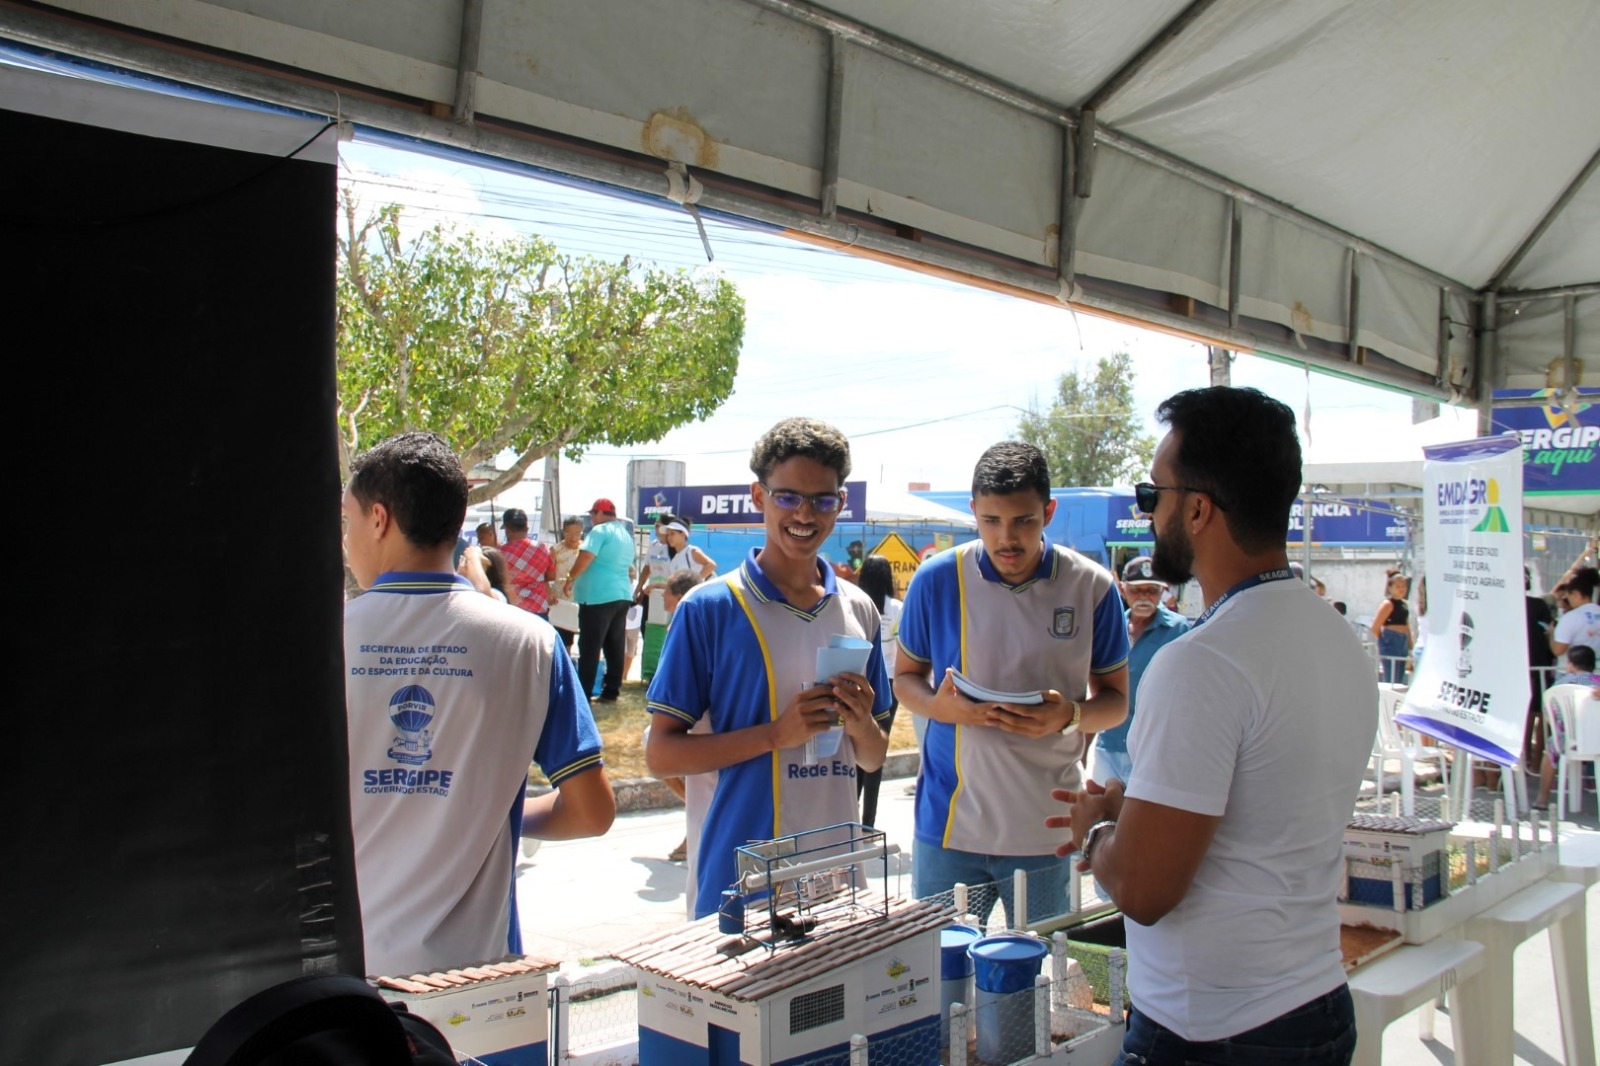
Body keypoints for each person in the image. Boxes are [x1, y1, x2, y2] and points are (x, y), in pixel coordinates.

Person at [1049, 386, 1373, 1066]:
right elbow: (1260, 807)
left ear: (1197, 509)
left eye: (1153, 494)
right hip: (1315, 1002)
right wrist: (1131, 809)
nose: (1150, 511)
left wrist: (1099, 829)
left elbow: (1143, 891)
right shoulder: (1336, 637)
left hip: (1215, 1033)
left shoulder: (1199, 662)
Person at [341, 431, 614, 976]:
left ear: (377, 519)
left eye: (345, 522)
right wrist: (498, 813)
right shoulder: (531, 643)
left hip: (347, 975)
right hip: (480, 980)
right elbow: (591, 812)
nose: (345, 541)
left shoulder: (319, 639)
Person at [644, 417, 892, 919]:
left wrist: (862, 723)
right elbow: (661, 755)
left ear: (840, 503)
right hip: (738, 885)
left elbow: (872, 757)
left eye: (822, 499)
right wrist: (775, 735)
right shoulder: (708, 608)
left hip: (836, 878)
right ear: (759, 496)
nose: (804, 513)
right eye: (787, 497)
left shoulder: (859, 608)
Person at [896, 441, 1129, 926]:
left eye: (1023, 520)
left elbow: (1117, 702)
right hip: (949, 832)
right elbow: (904, 681)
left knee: (1037, 986)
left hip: (1050, 832)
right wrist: (945, 709)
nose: (1007, 538)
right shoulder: (936, 580)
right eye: (991, 521)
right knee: (943, 983)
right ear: (973, 513)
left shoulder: (1092, 586)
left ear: (1048, 511)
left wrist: (1071, 715)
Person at [1093, 556, 1190, 785]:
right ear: (1123, 590)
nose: (1145, 597)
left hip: (1154, 751)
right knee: (1102, 815)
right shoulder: (1111, 628)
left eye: (1152, 591)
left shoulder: (1179, 630)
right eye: (1137, 591)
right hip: (1109, 745)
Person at [563, 498, 635, 703]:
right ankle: (611, 690)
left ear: (599, 513)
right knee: (614, 646)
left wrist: (570, 578)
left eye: (593, 515)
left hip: (597, 596)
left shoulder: (599, 531)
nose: (592, 519)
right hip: (621, 594)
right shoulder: (624, 534)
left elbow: (586, 557)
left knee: (589, 646)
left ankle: (582, 695)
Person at [634, 515, 716, 683]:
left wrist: (695, 583)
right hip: (689, 604)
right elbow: (678, 584)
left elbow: (711, 565)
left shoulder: (692, 551)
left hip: (704, 604)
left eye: (672, 534)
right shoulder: (676, 558)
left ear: (683, 535)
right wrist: (656, 586)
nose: (669, 537)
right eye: (668, 534)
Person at [854, 554, 902, 826]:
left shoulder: (856, 604)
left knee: (856, 744)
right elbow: (902, 646)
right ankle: (868, 822)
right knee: (876, 747)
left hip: (860, 680)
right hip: (890, 682)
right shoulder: (896, 608)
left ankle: (852, 808)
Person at [1533, 643, 1600, 811]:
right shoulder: (1597, 683)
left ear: (1570, 665)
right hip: (1596, 739)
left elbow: (1550, 718)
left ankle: (1542, 798)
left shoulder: (1559, 686)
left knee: (1551, 746)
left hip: (1566, 741)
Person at [500, 508, 556, 619]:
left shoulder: (500, 553)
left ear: (507, 529)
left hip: (512, 608)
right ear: (527, 528)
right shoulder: (542, 548)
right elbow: (551, 576)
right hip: (538, 606)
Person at [1369, 569, 1412, 683]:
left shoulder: (1404, 605)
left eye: (1403, 585)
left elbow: (1406, 625)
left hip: (1403, 641)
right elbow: (1375, 627)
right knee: (1391, 676)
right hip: (1391, 640)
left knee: (1400, 676)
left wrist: (1410, 645)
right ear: (1390, 587)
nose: (1401, 588)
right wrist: (1384, 641)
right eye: (1398, 586)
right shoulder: (1388, 604)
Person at [548, 517, 584, 650]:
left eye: (577, 533)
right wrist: (550, 592)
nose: (573, 537)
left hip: (581, 596)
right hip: (561, 598)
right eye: (569, 533)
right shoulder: (556, 549)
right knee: (563, 637)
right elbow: (549, 573)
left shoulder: (586, 550)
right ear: (563, 532)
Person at [1550, 566, 1600, 658]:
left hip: (1574, 670)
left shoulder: (1570, 617)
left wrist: (1551, 634)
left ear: (1576, 594)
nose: (1568, 600)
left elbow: (1558, 650)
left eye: (1568, 596)